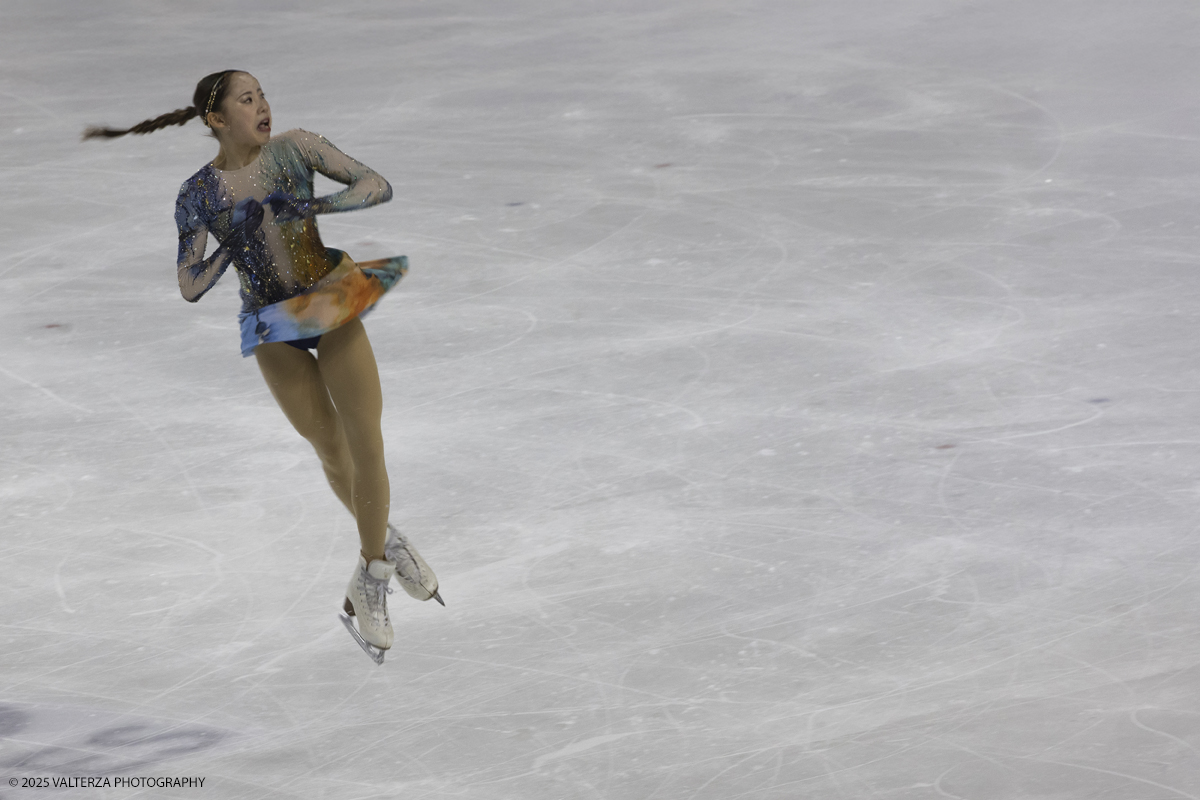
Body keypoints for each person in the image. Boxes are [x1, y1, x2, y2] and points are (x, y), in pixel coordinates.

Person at [84, 70, 442, 665]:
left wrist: (311, 202)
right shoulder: (196, 195)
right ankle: (386, 541)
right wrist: (230, 244)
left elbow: (375, 185)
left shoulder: (296, 148)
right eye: (247, 101)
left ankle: (372, 574)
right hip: (270, 323)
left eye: (263, 96)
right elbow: (189, 285)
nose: (263, 106)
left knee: (366, 444)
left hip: (328, 296)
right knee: (331, 451)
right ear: (216, 119)